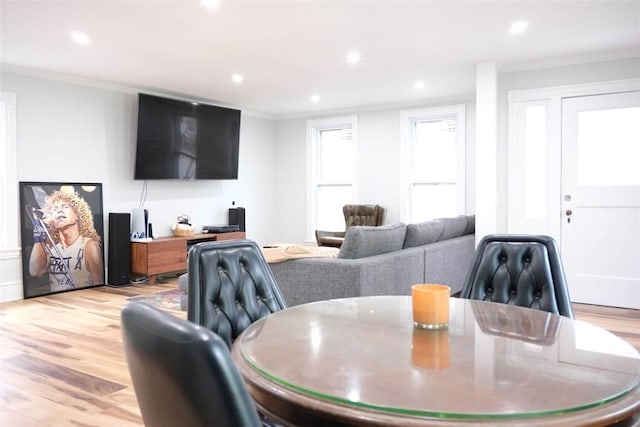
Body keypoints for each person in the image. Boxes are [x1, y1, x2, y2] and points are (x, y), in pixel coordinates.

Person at [29, 190, 104, 292]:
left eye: (65, 206)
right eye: (55, 209)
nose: (60, 211)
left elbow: (98, 283)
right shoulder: (51, 246)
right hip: (57, 302)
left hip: (82, 300)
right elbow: (35, 272)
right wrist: (38, 233)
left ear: (78, 214)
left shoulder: (89, 245)